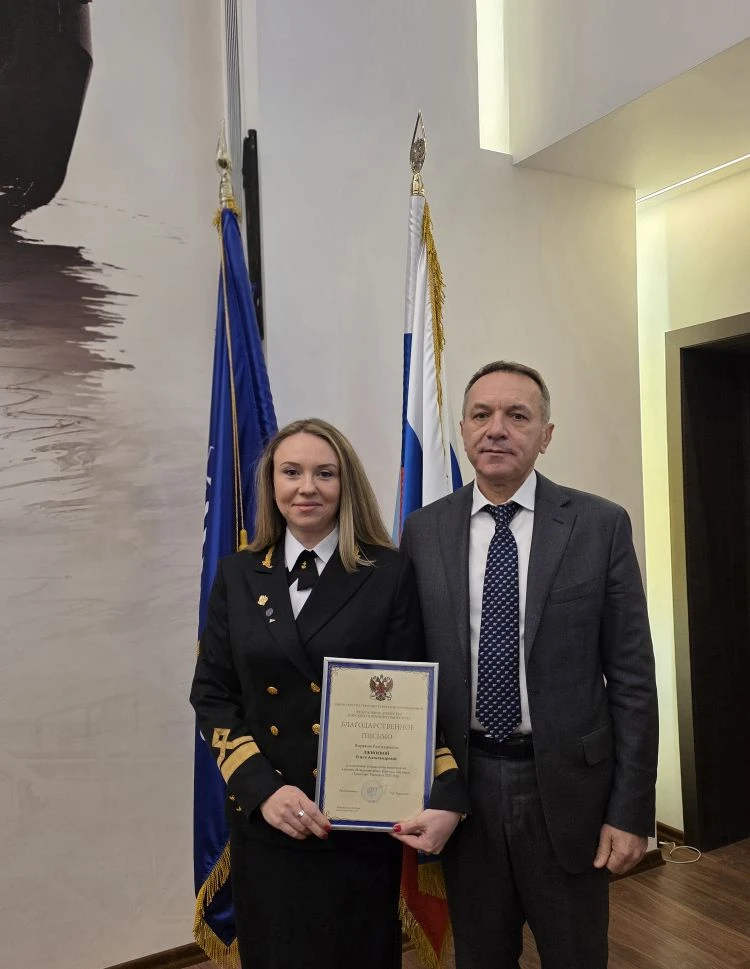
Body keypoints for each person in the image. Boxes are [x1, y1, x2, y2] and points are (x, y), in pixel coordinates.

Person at [392, 361, 659, 969]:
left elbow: (633, 681)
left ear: (546, 434)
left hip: (570, 791)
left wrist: (630, 810)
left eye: (518, 415)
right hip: (465, 788)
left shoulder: (599, 525)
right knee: (481, 955)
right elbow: (411, 668)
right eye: (481, 414)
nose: (497, 429)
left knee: (576, 954)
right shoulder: (424, 531)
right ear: (463, 430)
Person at [190, 418, 423, 969]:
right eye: (291, 472)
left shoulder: (387, 573)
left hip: (356, 821)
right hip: (269, 816)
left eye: (325, 473)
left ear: (346, 484)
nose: (307, 488)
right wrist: (264, 790)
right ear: (272, 483)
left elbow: (408, 695)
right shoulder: (238, 574)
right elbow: (212, 695)